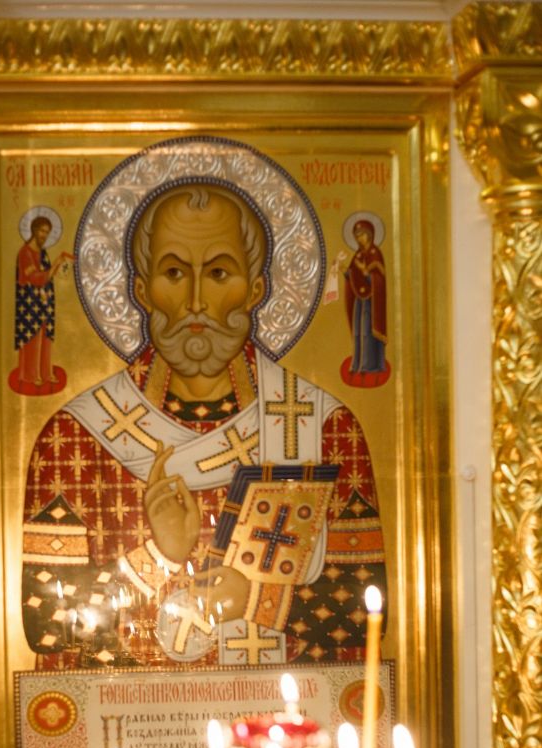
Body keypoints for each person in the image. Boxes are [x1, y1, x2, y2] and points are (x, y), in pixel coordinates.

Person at [21, 172, 386, 669]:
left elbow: (368, 609)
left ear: (255, 289)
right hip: (123, 710)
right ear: (142, 290)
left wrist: (255, 600)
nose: (195, 300)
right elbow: (43, 622)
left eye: (218, 273)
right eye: (174, 273)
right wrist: (160, 556)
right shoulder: (74, 436)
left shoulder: (325, 428)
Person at [15, 215, 73, 387]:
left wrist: (59, 266)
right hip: (30, 304)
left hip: (44, 302)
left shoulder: (43, 253)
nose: (44, 235)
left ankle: (46, 373)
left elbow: (47, 279)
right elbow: (35, 278)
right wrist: (55, 265)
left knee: (46, 337)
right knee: (33, 337)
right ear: (34, 230)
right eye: (42, 231)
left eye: (47, 232)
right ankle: (31, 375)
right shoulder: (25, 253)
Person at [344, 218, 387, 375]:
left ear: (370, 234)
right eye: (357, 236)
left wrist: (366, 272)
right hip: (359, 299)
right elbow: (352, 276)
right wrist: (345, 272)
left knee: (367, 331)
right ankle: (357, 363)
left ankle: (368, 365)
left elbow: (380, 278)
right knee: (357, 331)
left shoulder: (376, 254)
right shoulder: (358, 254)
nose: (359, 238)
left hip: (372, 301)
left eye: (362, 234)